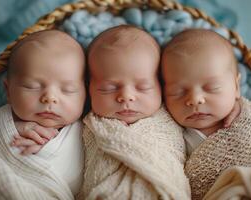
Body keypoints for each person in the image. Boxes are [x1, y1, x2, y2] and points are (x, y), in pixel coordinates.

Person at [77, 25, 191, 199]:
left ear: (161, 85)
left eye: (143, 87)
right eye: (109, 88)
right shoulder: (81, 123)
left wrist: (233, 111)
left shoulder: (176, 113)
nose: (126, 96)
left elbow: (209, 127)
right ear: (88, 88)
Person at [161, 28, 251, 199]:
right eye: (177, 92)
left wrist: (240, 111)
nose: (195, 99)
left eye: (212, 88)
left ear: (236, 87)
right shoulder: (170, 132)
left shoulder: (248, 117)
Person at [0, 29, 86, 199]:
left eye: (68, 90)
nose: (50, 98)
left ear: (86, 94)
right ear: (8, 91)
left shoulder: (87, 131)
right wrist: (13, 130)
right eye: (31, 86)